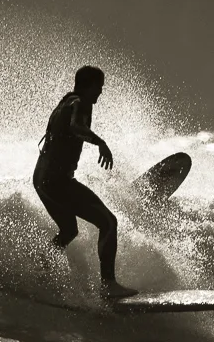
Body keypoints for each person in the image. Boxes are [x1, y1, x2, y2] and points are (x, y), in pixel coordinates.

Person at [33, 66, 137, 299]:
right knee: (109, 222)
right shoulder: (79, 103)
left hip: (41, 179)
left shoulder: (65, 102)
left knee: (69, 230)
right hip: (57, 181)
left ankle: (40, 271)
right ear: (88, 85)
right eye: (99, 86)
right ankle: (108, 285)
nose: (101, 91)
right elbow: (75, 127)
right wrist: (100, 142)